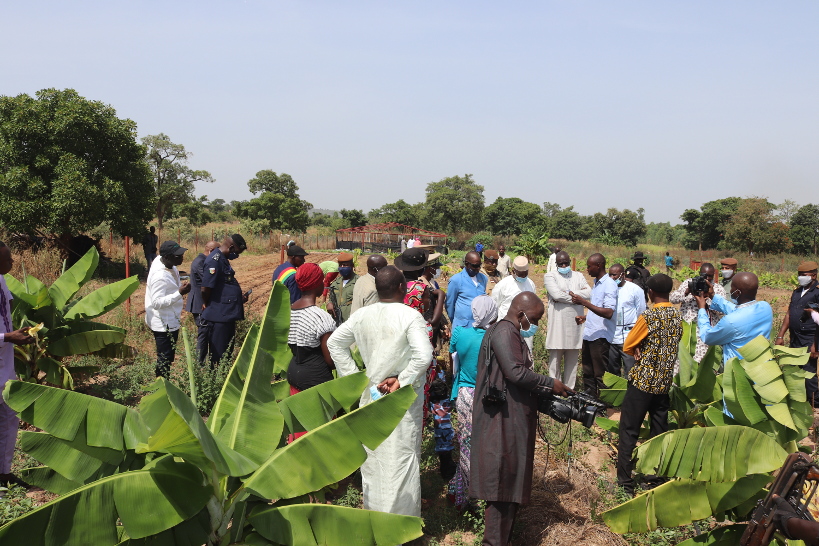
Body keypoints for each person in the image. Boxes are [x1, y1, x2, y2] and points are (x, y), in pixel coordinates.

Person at [327, 266, 434, 518]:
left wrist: (356, 379)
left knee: (374, 461)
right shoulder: (410, 316)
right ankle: (400, 526)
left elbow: (335, 343)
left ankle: (374, 518)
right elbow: (424, 356)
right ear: (401, 287)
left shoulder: (362, 315)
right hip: (400, 401)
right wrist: (403, 379)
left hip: (371, 396)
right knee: (401, 460)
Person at [471, 292, 573, 546]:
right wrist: (551, 384)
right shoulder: (505, 332)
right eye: (534, 319)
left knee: (508, 482)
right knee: (501, 485)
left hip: (508, 417)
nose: (535, 325)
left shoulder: (508, 331)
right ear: (521, 315)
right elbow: (515, 372)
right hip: (500, 421)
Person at [617, 274, 682, 496]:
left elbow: (628, 344)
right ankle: (656, 477)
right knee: (659, 431)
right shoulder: (677, 315)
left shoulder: (649, 315)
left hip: (643, 382)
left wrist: (638, 349)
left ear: (650, 293)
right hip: (664, 382)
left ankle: (625, 481)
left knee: (628, 429)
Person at [449, 295, 497, 510]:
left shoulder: (460, 332)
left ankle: (457, 489)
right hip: (486, 395)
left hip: (464, 393)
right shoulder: (494, 337)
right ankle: (470, 495)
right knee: (483, 445)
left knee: (466, 443)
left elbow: (453, 354)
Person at [0, 243, 35, 487]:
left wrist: (15, 333)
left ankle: (4, 473)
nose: (13, 261)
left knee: (9, 420)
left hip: (5, 365)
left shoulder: (1, 280)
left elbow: (8, 306)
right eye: (8, 257)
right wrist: (7, 337)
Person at [695, 272, 773, 365]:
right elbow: (738, 311)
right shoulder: (765, 307)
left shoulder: (730, 321)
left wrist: (702, 310)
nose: (731, 290)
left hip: (739, 372)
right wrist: (713, 296)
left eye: (732, 287)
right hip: (761, 367)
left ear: (737, 292)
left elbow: (707, 337)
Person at [571, 253, 618, 398]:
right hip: (591, 333)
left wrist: (584, 302)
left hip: (600, 337)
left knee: (600, 374)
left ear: (598, 266)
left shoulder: (609, 285)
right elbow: (598, 307)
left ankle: (603, 406)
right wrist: (586, 317)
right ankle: (590, 401)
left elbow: (609, 312)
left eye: (589, 266)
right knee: (588, 371)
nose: (587, 269)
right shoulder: (597, 283)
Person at [544, 251, 591, 389]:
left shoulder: (578, 275)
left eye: (566, 263)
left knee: (572, 363)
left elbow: (588, 292)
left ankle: (569, 391)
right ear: (556, 264)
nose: (564, 265)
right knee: (555, 362)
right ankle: (555, 390)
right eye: (561, 263)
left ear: (570, 262)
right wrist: (577, 298)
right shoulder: (550, 276)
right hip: (557, 324)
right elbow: (556, 295)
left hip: (574, 324)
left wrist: (568, 296)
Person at [145, 241, 192, 378]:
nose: (182, 257)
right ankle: (161, 385)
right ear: (166, 257)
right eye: (178, 256)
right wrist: (179, 293)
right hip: (164, 323)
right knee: (164, 358)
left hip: (171, 319)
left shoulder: (167, 264)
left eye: (181, 254)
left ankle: (165, 382)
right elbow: (157, 303)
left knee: (168, 356)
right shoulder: (160, 276)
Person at [201, 234, 249, 367]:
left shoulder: (223, 259)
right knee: (218, 355)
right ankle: (215, 381)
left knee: (226, 353)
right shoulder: (214, 260)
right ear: (232, 247)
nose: (237, 255)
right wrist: (207, 303)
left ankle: (222, 378)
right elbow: (205, 289)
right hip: (219, 316)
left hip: (226, 314)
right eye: (237, 252)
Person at [776, 261, 819, 404]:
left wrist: (815, 345)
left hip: (810, 338)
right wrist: (781, 335)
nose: (801, 277)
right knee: (794, 369)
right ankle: (798, 400)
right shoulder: (797, 291)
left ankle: (814, 403)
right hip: (795, 337)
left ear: (813, 275)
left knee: (809, 372)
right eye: (799, 274)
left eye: (804, 275)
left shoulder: (817, 292)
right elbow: (789, 313)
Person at [669, 262, 726, 363]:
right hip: (688, 330)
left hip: (707, 334)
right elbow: (672, 299)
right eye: (705, 275)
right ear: (700, 273)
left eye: (710, 276)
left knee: (703, 364)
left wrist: (709, 298)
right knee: (684, 362)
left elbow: (721, 311)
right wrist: (686, 293)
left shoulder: (717, 289)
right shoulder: (689, 283)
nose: (707, 278)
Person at [608, 263, 646, 377]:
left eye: (615, 275)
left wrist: (638, 339)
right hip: (611, 336)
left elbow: (641, 313)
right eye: (610, 275)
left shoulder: (635, 289)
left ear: (623, 274)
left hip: (629, 337)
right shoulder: (608, 288)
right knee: (612, 372)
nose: (612, 278)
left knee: (630, 372)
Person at [491, 256, 536, 352]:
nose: (523, 277)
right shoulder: (503, 285)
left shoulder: (531, 284)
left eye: (525, 274)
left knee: (526, 358)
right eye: (521, 274)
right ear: (513, 271)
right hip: (506, 329)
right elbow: (494, 307)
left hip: (525, 330)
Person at [185, 241, 218, 366]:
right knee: (203, 333)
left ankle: (206, 363)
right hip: (199, 303)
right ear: (211, 251)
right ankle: (199, 365)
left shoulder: (205, 260)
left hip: (204, 302)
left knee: (207, 333)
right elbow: (208, 281)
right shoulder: (200, 261)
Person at [446, 251, 488, 328]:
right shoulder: (456, 280)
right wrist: (456, 321)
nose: (478, 268)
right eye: (475, 266)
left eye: (479, 265)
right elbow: (450, 304)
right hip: (462, 326)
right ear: (467, 264)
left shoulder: (483, 278)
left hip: (479, 326)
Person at [326, 252, 359, 324]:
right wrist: (329, 303)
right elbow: (331, 298)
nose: (342, 267)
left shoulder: (359, 282)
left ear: (352, 266)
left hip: (352, 321)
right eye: (341, 265)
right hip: (337, 321)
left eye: (345, 265)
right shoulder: (335, 283)